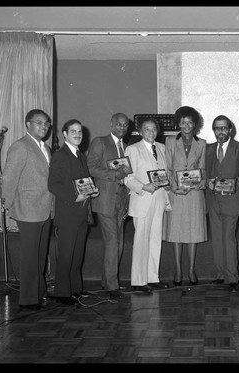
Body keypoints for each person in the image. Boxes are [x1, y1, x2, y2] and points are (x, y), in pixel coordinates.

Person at [2, 109, 54, 311]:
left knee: (41, 254)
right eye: (39, 123)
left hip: (45, 208)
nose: (44, 127)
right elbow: (9, 177)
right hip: (28, 209)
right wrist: (6, 204)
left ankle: (39, 293)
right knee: (30, 255)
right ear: (28, 124)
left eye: (46, 123)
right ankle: (28, 299)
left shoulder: (45, 148)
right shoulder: (20, 146)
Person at [48, 119, 98, 305]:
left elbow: (83, 181)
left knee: (77, 254)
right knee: (66, 254)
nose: (77, 134)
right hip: (68, 213)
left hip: (81, 213)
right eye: (73, 131)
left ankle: (75, 289)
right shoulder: (60, 155)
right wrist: (73, 197)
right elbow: (53, 184)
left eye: (80, 132)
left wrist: (92, 190)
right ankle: (62, 293)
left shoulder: (81, 155)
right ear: (65, 134)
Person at [205, 115, 239, 293]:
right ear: (214, 131)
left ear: (230, 129)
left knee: (228, 238)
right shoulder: (209, 149)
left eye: (224, 128)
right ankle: (220, 275)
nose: (221, 132)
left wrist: (232, 186)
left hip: (232, 200)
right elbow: (205, 171)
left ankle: (232, 278)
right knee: (217, 238)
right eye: (217, 128)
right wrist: (207, 180)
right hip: (213, 200)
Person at [124, 118, 171, 293]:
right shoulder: (132, 149)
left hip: (159, 198)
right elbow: (127, 178)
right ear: (140, 131)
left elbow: (165, 173)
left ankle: (152, 277)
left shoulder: (162, 148)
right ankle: (138, 280)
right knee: (141, 240)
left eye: (153, 129)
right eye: (147, 129)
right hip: (142, 198)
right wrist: (143, 186)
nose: (151, 132)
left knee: (155, 239)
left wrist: (167, 184)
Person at [87, 113, 130, 299]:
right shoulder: (100, 142)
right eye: (118, 124)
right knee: (113, 243)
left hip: (121, 200)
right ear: (111, 124)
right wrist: (114, 175)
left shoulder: (127, 147)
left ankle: (107, 281)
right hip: (105, 200)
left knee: (118, 244)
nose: (122, 127)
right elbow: (91, 167)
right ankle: (113, 287)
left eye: (125, 125)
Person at [164, 106, 207, 286]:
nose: (186, 125)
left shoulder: (202, 143)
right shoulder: (170, 141)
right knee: (176, 232)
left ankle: (190, 269)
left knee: (193, 232)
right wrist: (173, 188)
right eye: (183, 122)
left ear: (195, 124)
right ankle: (178, 270)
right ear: (178, 123)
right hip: (177, 193)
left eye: (190, 122)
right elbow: (168, 167)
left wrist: (199, 183)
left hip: (195, 194)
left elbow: (203, 169)